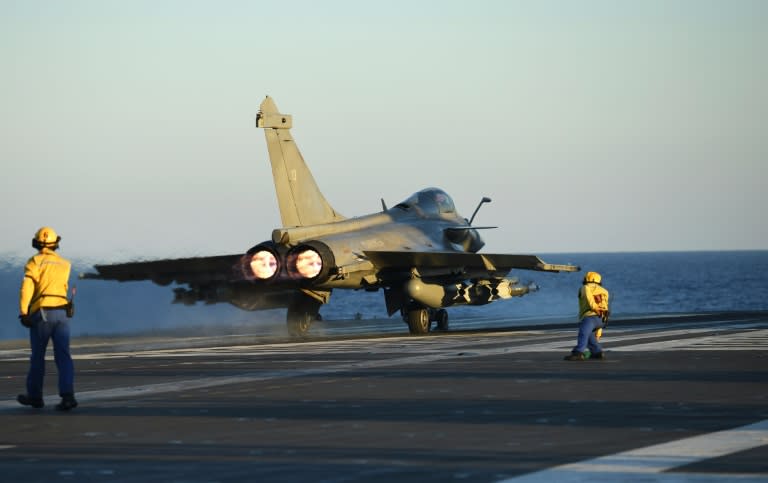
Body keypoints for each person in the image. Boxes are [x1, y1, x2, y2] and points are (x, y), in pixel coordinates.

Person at [17, 226, 78, 411]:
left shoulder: (34, 261)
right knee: (64, 356)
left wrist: (23, 312)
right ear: (55, 243)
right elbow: (64, 287)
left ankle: (35, 396)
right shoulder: (65, 264)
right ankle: (68, 397)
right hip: (62, 312)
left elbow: (26, 288)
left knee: (38, 357)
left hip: (42, 313)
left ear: (36, 242)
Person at [564, 271, 610, 361]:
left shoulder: (585, 287)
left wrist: (595, 308)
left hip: (591, 317)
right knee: (589, 335)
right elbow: (605, 306)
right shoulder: (604, 291)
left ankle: (578, 353)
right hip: (603, 319)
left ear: (587, 279)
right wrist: (599, 330)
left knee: (583, 333)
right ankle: (597, 352)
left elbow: (590, 300)